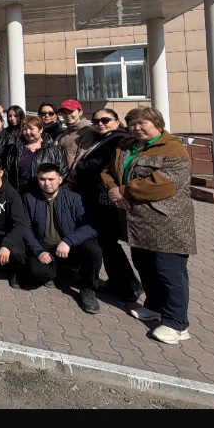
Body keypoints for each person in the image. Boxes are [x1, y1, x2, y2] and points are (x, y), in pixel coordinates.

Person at [101, 106, 196, 345]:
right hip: (137, 222)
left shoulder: (173, 148)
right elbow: (108, 171)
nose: (136, 128)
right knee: (145, 266)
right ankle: (154, 307)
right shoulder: (126, 145)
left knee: (169, 272)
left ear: (157, 124)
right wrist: (113, 188)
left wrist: (124, 191)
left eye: (142, 123)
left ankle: (177, 324)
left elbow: (164, 184)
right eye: (132, 123)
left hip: (165, 222)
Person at [73, 108, 143, 303]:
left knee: (108, 242)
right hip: (97, 197)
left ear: (117, 121)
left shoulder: (117, 139)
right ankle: (120, 282)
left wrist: (81, 166)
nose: (100, 124)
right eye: (96, 121)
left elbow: (96, 165)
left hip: (105, 199)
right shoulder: (103, 138)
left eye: (105, 120)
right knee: (106, 242)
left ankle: (129, 285)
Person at [19, 162, 103, 314]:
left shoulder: (74, 198)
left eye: (51, 179)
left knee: (93, 249)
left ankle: (88, 288)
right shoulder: (29, 198)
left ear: (60, 179)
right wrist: (38, 251)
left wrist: (68, 241)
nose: (47, 183)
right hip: (45, 247)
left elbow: (89, 227)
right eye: (42, 179)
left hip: (69, 247)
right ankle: (59, 272)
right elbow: (26, 229)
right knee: (35, 273)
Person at [1, 114, 66, 196]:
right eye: (25, 129)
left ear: (41, 129)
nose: (28, 132)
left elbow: (62, 171)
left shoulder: (53, 149)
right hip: (20, 194)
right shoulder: (15, 148)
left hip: (44, 195)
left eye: (31, 129)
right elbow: (7, 170)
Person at [57, 98, 97, 179]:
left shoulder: (88, 132)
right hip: (62, 177)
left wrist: (71, 180)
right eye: (64, 112)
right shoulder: (65, 132)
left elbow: (81, 157)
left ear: (80, 112)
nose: (68, 115)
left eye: (71, 111)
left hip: (76, 179)